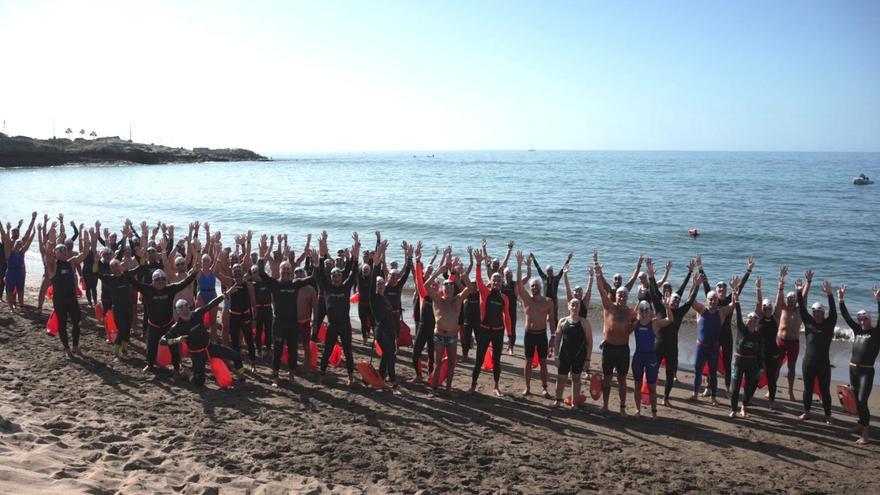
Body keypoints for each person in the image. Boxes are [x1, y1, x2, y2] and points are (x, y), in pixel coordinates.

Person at [125, 244, 199, 375]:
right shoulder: (147, 289)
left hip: (168, 325)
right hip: (153, 325)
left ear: (166, 281)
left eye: (162, 279)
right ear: (152, 281)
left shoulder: (170, 289)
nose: (160, 281)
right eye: (157, 279)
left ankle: (176, 368)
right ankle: (150, 365)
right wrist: (125, 271)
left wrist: (194, 273)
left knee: (173, 347)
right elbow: (134, 282)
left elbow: (184, 283)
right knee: (151, 346)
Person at [257, 243, 316, 387]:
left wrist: (316, 262)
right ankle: (275, 377)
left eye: (289, 271)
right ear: (280, 270)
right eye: (284, 270)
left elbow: (313, 278)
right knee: (277, 351)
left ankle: (291, 375)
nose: (287, 273)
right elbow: (261, 272)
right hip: (278, 323)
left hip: (292, 323)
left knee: (293, 350)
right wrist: (263, 254)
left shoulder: (296, 284)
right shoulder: (274, 284)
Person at [162, 289, 246, 388]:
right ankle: (188, 373)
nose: (184, 308)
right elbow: (162, 340)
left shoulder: (197, 313)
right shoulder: (177, 326)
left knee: (236, 356)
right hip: (197, 354)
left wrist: (226, 294)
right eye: (181, 308)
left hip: (209, 347)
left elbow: (211, 304)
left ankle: (241, 378)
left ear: (189, 306)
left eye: (186, 305)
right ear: (178, 312)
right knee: (199, 383)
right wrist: (176, 340)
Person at [696, 255, 753, 395]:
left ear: (727, 290)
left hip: (726, 335)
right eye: (719, 287)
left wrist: (748, 271)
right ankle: (708, 387)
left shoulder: (729, 299)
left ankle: (728, 387)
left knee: (727, 362)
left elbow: (739, 288)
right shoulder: (712, 299)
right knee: (710, 362)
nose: (721, 288)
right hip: (713, 336)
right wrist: (700, 268)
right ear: (715, 291)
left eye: (723, 287)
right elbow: (705, 283)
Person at [648, 260, 701, 405]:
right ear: (669, 299)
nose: (676, 302)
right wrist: (651, 275)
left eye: (678, 300)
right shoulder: (660, 308)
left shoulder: (680, 312)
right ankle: (651, 393)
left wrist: (695, 284)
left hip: (672, 347)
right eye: (674, 300)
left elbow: (689, 300)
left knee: (670, 374)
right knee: (653, 371)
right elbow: (653, 293)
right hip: (658, 345)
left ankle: (665, 398)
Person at [421, 248, 473, 393]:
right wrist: (437, 272)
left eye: (451, 285)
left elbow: (470, 288)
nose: (449, 287)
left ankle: (448, 388)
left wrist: (462, 275)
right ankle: (435, 387)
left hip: (452, 337)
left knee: (451, 363)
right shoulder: (438, 299)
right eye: (446, 285)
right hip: (439, 335)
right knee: (437, 363)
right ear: (442, 288)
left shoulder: (457, 300)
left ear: (453, 288)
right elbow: (425, 286)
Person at [593, 257, 637, 416]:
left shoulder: (631, 312)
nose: (621, 297)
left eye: (624, 296)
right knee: (606, 378)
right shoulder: (609, 306)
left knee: (622, 380)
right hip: (609, 348)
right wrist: (598, 274)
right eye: (619, 295)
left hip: (623, 349)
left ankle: (622, 408)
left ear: (627, 297)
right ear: (616, 296)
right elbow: (600, 289)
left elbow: (633, 327)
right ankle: (605, 405)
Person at [838, 285, 880, 445]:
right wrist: (841, 299)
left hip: (866, 372)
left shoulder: (876, 332)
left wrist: (878, 301)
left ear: (870, 319)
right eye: (860, 319)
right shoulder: (858, 331)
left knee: (862, 400)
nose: (862, 321)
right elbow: (846, 316)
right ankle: (861, 423)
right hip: (852, 369)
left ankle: (866, 434)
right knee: (856, 399)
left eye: (865, 318)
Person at [316, 231, 359, 386]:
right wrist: (321, 256)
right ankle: (322, 374)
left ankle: (350, 377)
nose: (336, 279)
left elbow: (353, 273)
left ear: (341, 278)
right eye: (334, 277)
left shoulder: (345, 287)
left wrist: (354, 257)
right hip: (333, 326)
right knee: (327, 350)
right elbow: (320, 273)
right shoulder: (327, 287)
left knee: (348, 351)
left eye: (339, 277)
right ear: (331, 278)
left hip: (345, 325)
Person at [469, 249, 512, 397]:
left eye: (499, 280)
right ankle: (473, 385)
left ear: (502, 283)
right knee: (479, 359)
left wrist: (510, 335)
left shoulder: (504, 298)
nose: (497, 282)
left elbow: (507, 317)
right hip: (485, 330)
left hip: (498, 331)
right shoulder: (485, 292)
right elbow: (478, 279)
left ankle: (496, 386)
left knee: (497, 360)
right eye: (494, 280)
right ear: (491, 282)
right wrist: (479, 264)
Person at [689, 276, 738, 404]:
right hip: (701, 346)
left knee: (713, 373)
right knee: (698, 370)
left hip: (713, 348)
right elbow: (691, 300)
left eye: (715, 299)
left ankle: (713, 397)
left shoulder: (721, 313)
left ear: (717, 300)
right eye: (710, 299)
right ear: (707, 300)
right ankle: (694, 394)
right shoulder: (701, 310)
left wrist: (734, 289)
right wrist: (696, 285)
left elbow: (733, 304)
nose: (712, 301)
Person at [44, 231, 91, 356]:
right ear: (56, 253)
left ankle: (75, 346)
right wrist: (51, 242)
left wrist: (87, 242)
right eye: (61, 251)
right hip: (59, 300)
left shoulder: (71, 262)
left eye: (65, 250)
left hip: (71, 298)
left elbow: (84, 254)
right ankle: (67, 348)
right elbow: (48, 255)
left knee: (77, 321)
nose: (64, 252)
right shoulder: (53, 266)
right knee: (62, 324)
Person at [796, 277, 836, 423]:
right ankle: (807, 412)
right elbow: (801, 307)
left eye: (819, 311)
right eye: (814, 311)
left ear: (823, 312)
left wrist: (830, 294)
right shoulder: (809, 322)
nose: (816, 313)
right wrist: (799, 291)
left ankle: (828, 415)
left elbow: (834, 311)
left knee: (825, 390)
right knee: (807, 388)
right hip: (809, 361)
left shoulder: (829, 324)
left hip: (823, 362)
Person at [515, 251, 553, 397]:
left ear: (540, 287)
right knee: (528, 361)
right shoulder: (526, 299)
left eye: (536, 285)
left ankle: (544, 388)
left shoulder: (548, 302)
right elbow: (519, 283)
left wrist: (554, 336)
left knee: (543, 362)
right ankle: (527, 387)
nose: (534, 287)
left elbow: (553, 320)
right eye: (532, 286)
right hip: (529, 334)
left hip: (542, 335)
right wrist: (520, 264)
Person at [630, 300, 672, 418]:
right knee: (637, 385)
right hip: (638, 356)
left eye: (646, 310)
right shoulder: (635, 324)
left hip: (651, 357)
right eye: (641, 310)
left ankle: (654, 412)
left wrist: (667, 308)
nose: (643, 312)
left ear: (650, 312)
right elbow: (623, 328)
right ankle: (637, 410)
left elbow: (670, 320)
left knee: (652, 387)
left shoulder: (655, 324)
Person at [729, 288, 764, 418]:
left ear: (757, 323)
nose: (752, 320)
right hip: (738, 362)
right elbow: (738, 313)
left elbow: (760, 354)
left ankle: (744, 407)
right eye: (750, 318)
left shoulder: (758, 336)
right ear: (746, 320)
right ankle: (733, 409)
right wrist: (736, 300)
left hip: (751, 363)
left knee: (749, 388)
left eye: (755, 319)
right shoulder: (741, 329)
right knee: (735, 387)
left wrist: (761, 368)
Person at [551, 298, 592, 408]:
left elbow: (590, 343)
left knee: (576, 378)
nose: (575, 307)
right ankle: (558, 400)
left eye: (577, 305)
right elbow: (557, 340)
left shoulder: (584, 323)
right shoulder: (562, 321)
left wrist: (588, 360)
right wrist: (556, 356)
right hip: (565, 354)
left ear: (579, 307)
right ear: (569, 306)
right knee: (561, 378)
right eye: (573, 305)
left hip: (579, 355)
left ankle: (574, 403)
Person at [530, 250, 573, 353]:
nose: (549, 272)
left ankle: (556, 338)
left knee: (555, 320)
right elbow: (538, 268)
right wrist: (533, 258)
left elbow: (563, 270)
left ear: (552, 271)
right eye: (548, 271)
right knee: (543, 319)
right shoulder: (543, 277)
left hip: (553, 302)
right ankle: (542, 337)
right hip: (544, 301)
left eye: (550, 271)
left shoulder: (556, 278)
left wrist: (568, 259)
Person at [775, 265, 804, 401]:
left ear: (796, 300)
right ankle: (772, 389)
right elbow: (779, 294)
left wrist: (806, 285)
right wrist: (781, 278)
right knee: (777, 366)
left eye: (793, 298)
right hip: (781, 340)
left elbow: (804, 296)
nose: (791, 300)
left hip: (794, 342)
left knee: (791, 368)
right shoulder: (783, 308)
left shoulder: (799, 311)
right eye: (789, 298)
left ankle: (791, 392)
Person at [754, 276, 781, 409]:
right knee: (755, 376)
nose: (767, 310)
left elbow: (779, 303)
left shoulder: (776, 319)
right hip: (759, 352)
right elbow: (759, 302)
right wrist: (758, 287)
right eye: (765, 308)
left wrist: (780, 287)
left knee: (771, 378)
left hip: (773, 352)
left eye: (769, 308)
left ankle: (771, 401)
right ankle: (749, 398)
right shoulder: (758, 318)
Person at [1, 212, 37, 312]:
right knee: (10, 290)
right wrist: (6, 228)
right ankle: (12, 307)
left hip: (20, 270)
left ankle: (20, 305)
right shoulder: (9, 243)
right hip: (10, 268)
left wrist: (33, 219)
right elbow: (4, 235)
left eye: (17, 232)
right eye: (14, 232)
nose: (16, 233)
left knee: (20, 289)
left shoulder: (21, 245)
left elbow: (28, 235)